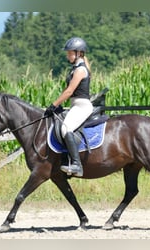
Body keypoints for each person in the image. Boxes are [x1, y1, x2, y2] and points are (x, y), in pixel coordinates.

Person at [44, 37, 93, 177]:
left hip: (82, 106)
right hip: (75, 105)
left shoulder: (80, 70)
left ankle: (77, 165)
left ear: (79, 53)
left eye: (70, 53)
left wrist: (54, 105)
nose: (68, 55)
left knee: (66, 128)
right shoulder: (75, 68)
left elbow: (69, 91)